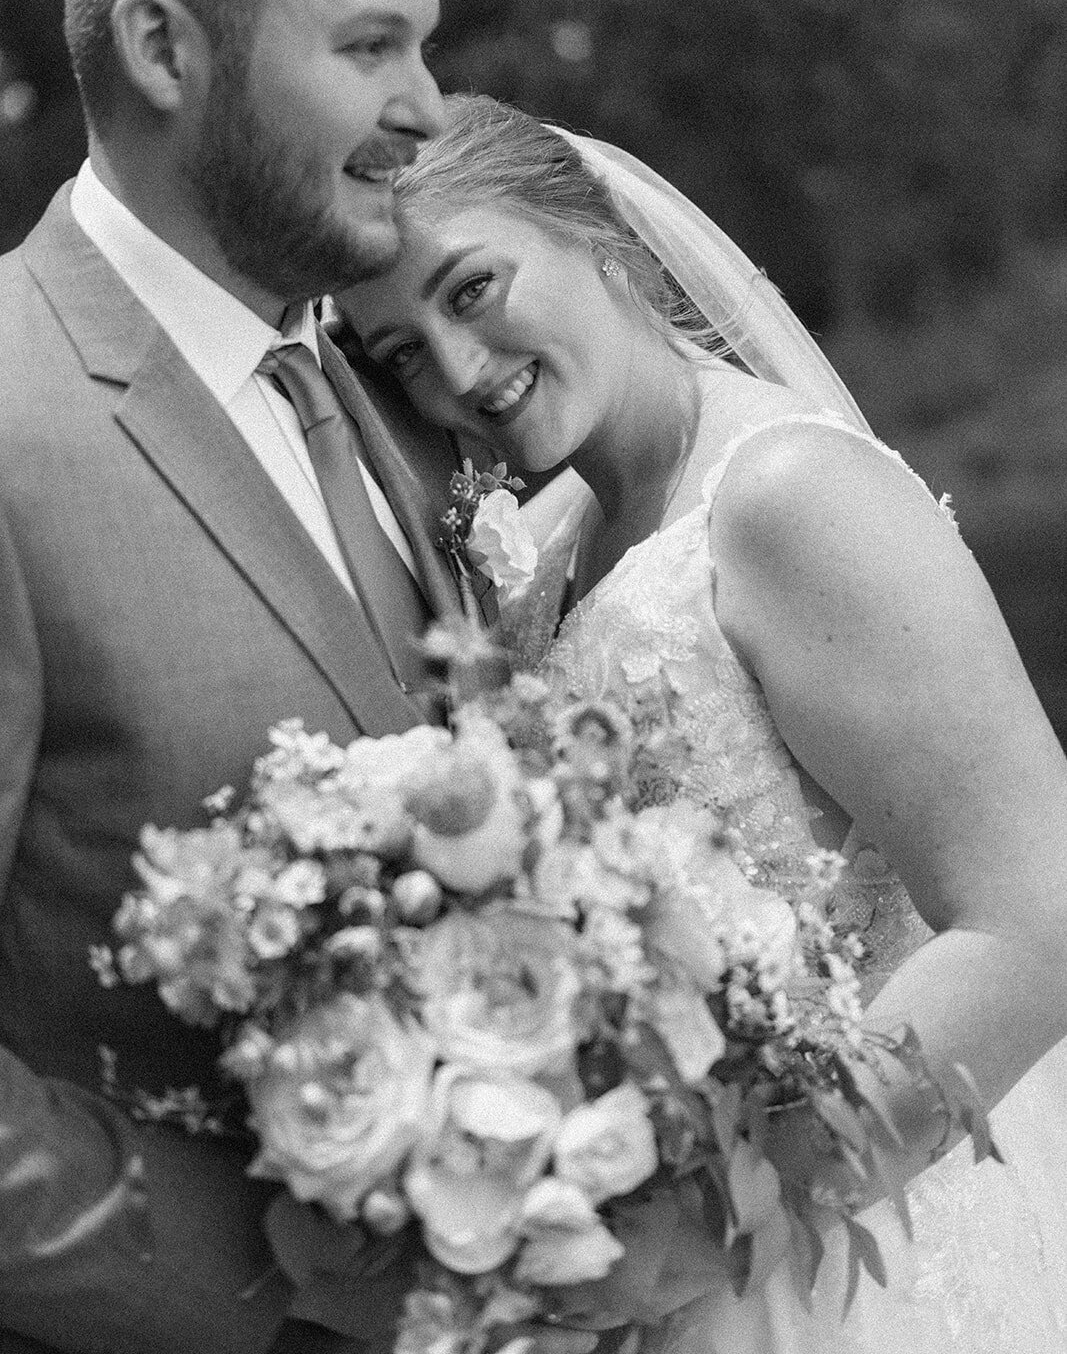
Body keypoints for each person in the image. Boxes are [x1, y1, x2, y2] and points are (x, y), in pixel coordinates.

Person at [338, 92, 1067, 1352]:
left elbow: (1037, 909)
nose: (454, 375)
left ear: (597, 239)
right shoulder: (552, 544)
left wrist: (727, 1221)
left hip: (852, 1257)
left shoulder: (784, 496)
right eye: (401, 352)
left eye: (470, 290)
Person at [0, 0, 470, 1353]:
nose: (426, 104)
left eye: (421, 41)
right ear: (159, 47)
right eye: (367, 49)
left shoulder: (395, 394)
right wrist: (283, 1290)